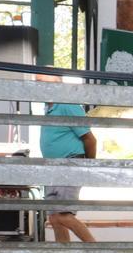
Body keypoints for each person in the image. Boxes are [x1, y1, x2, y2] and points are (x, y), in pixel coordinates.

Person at [37, 73, 96, 243]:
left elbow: (90, 139)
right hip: (53, 167)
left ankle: (98, 250)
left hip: (69, 164)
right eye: (37, 82)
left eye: (42, 82)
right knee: (54, 218)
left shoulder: (67, 105)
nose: (38, 86)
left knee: (63, 215)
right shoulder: (48, 108)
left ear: (58, 84)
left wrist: (88, 166)